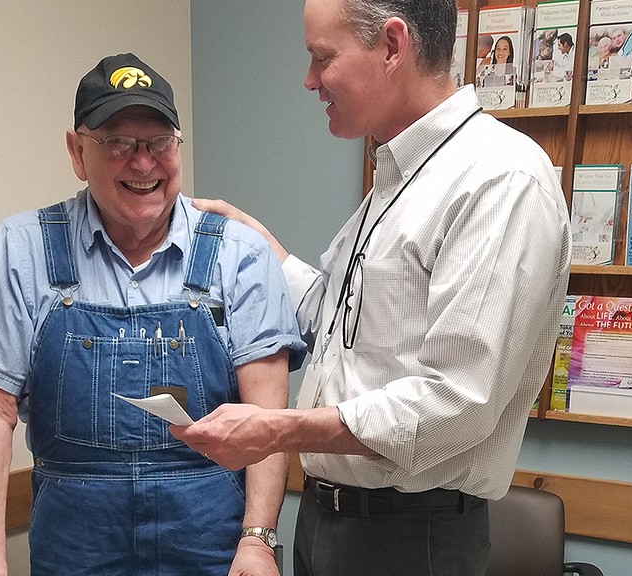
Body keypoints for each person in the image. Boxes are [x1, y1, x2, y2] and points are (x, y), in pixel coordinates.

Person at [171, 1, 572, 575]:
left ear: (391, 45)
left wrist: (279, 430)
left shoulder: (497, 178)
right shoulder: (396, 180)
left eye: (321, 58)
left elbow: (457, 402)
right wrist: (261, 246)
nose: (309, 81)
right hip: (330, 521)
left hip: (409, 537)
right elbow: (331, 320)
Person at [0, 52, 306, 576]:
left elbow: (268, 421)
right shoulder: (20, 251)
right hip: (74, 542)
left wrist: (258, 542)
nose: (143, 162)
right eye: (118, 143)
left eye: (159, 142)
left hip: (210, 544)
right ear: (77, 152)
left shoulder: (240, 254)